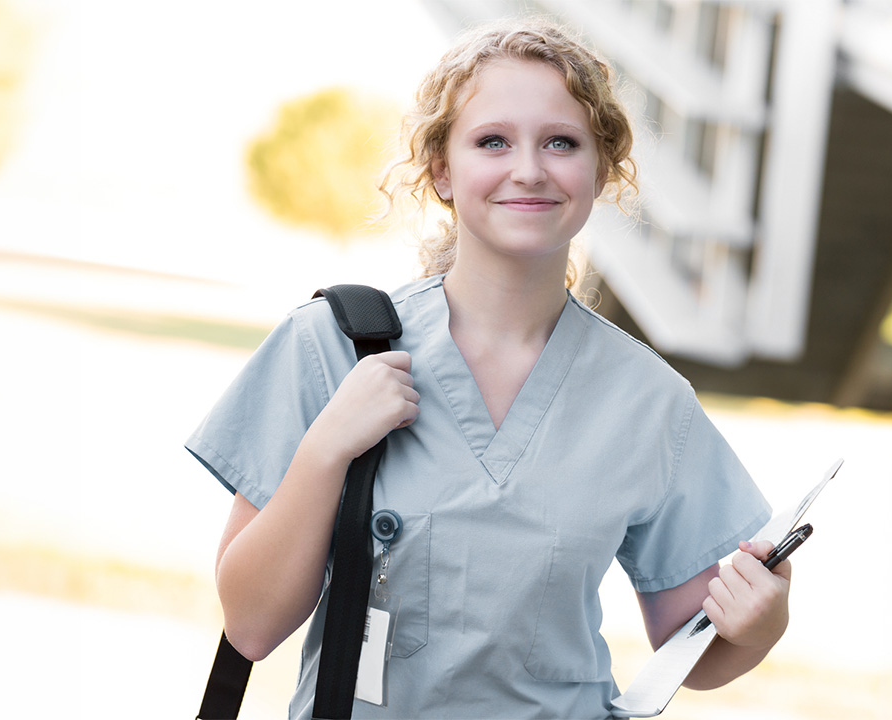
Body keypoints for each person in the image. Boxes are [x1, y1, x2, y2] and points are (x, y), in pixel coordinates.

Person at [186, 18, 791, 720]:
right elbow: (251, 627)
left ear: (600, 168)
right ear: (442, 169)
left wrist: (759, 627)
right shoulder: (330, 345)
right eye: (492, 141)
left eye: (561, 142)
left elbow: (692, 647)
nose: (529, 169)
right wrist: (327, 449)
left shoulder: (648, 400)